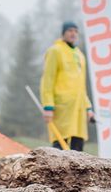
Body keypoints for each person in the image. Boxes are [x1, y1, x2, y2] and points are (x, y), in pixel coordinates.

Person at [40, 21, 94, 151]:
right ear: (63, 33)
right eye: (70, 31)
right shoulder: (55, 51)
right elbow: (47, 80)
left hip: (79, 107)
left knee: (78, 146)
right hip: (62, 108)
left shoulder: (80, 55)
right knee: (60, 144)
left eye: (76, 31)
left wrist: (88, 108)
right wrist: (48, 106)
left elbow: (82, 85)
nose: (73, 34)